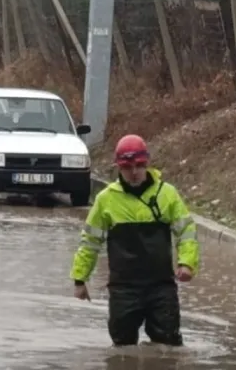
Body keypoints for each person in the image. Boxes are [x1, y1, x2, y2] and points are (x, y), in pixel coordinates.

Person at [70, 134, 200, 347]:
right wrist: (79, 279)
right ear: (118, 168)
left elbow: (186, 231)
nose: (134, 172)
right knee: (122, 349)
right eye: (127, 167)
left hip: (161, 288)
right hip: (123, 289)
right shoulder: (106, 200)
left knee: (169, 346)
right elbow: (90, 242)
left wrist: (187, 263)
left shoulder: (166, 194)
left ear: (147, 163)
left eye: (139, 166)